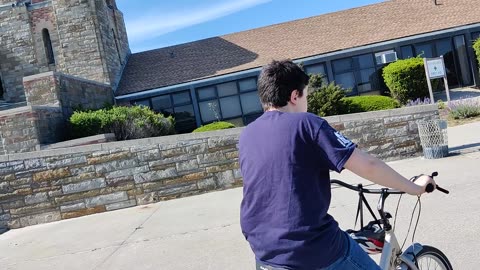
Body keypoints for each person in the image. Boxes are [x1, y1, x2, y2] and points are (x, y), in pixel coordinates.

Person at [238, 60, 435, 270]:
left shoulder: (247, 134)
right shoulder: (306, 124)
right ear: (295, 96)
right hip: (310, 248)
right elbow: (368, 165)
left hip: (263, 249)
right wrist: (414, 187)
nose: (308, 103)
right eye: (307, 96)